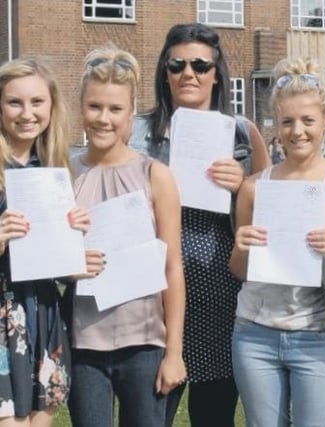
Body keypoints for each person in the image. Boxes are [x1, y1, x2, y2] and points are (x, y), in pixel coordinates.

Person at [128, 23, 270, 427]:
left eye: (200, 65)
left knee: (213, 416)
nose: (188, 73)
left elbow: (271, 213)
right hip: (153, 294)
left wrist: (241, 186)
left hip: (220, 294)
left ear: (216, 73)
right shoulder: (139, 133)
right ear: (165, 72)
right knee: (152, 415)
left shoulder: (243, 133)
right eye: (177, 64)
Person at [228, 57, 325, 427]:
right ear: (276, 125)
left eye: (308, 120)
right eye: (287, 121)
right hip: (255, 333)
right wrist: (241, 246)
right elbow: (239, 271)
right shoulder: (255, 187)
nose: (298, 131)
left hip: (321, 334)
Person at [68, 46, 186, 427]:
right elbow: (50, 261)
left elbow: (172, 266)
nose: (104, 119)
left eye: (115, 109)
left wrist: (174, 352)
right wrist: (70, 265)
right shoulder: (65, 176)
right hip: (83, 347)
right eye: (95, 107)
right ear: (81, 109)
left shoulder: (156, 175)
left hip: (145, 345)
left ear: (131, 115)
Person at [0, 57, 96, 426]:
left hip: (44, 312)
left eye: (37, 102)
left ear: (51, 106)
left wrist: (75, 247)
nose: (27, 113)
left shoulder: (56, 170)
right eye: (14, 102)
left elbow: (60, 270)